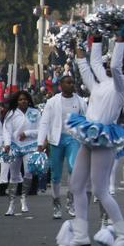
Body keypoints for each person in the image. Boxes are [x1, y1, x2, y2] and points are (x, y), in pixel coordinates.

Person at [57, 27, 124, 246]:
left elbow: (112, 66)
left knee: (101, 189)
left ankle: (123, 234)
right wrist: (94, 40)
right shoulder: (102, 83)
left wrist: (121, 39)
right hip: (89, 135)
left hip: (103, 138)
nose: (107, 66)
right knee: (76, 186)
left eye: (115, 65)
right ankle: (81, 234)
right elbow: (90, 66)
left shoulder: (121, 87)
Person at [38, 74, 85, 220]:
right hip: (56, 140)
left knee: (73, 169)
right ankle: (56, 204)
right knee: (56, 174)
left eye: (73, 82)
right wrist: (41, 142)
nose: (72, 85)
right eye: (68, 82)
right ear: (61, 85)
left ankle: (71, 202)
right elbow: (45, 122)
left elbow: (87, 120)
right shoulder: (52, 102)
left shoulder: (80, 101)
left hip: (73, 139)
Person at [2, 91, 40, 216]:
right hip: (14, 147)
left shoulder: (35, 112)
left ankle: (24, 198)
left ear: (28, 100)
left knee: (28, 172)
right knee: (13, 175)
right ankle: (11, 204)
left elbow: (41, 129)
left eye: (25, 99)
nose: (22, 101)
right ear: (16, 102)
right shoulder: (11, 113)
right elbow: (6, 130)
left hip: (30, 146)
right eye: (20, 100)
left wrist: (27, 133)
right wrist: (7, 144)